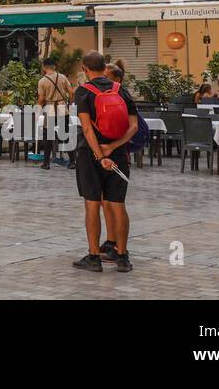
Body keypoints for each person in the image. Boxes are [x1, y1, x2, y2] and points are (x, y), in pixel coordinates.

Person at [72, 51, 138, 274]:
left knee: (92, 204)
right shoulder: (121, 90)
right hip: (118, 154)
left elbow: (87, 128)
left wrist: (100, 155)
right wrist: (113, 147)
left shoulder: (83, 92)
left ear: (84, 69)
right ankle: (122, 257)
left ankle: (93, 257)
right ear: (104, 67)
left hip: (91, 156)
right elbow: (134, 126)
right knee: (118, 204)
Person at [32, 55, 74, 169]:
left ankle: (46, 163)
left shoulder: (42, 81)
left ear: (44, 67)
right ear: (54, 66)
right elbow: (71, 92)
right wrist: (69, 105)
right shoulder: (62, 77)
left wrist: (37, 112)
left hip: (50, 108)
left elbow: (41, 99)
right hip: (62, 108)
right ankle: (72, 162)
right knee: (65, 135)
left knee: (48, 137)